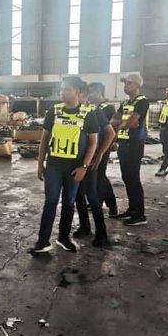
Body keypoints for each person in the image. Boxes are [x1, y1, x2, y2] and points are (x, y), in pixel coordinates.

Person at [30, 76, 99, 254]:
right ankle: (42, 241)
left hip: (74, 168)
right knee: (50, 202)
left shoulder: (88, 114)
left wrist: (84, 167)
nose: (62, 93)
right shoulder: (54, 111)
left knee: (69, 203)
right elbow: (44, 139)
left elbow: (93, 143)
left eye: (66, 89)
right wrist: (40, 164)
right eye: (61, 89)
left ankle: (63, 238)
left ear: (77, 91)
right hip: (54, 166)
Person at [72, 84, 116, 247]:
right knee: (78, 195)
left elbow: (110, 133)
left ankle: (101, 234)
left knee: (91, 194)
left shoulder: (94, 111)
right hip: (73, 160)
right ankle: (84, 227)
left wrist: (100, 154)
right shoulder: (68, 111)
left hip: (89, 160)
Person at [110, 74, 149, 226]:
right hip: (124, 144)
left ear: (138, 85)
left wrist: (121, 123)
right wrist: (123, 123)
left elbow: (133, 123)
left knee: (133, 178)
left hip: (134, 145)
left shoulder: (142, 102)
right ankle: (132, 209)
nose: (125, 86)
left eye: (129, 83)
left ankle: (139, 214)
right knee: (127, 178)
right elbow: (113, 121)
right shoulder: (125, 102)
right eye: (125, 83)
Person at [87, 82, 118, 217]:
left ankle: (112, 205)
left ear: (98, 92)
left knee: (100, 176)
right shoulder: (96, 107)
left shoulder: (107, 108)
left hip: (102, 147)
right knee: (95, 176)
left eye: (90, 93)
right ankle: (97, 201)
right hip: (94, 146)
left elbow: (111, 130)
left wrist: (110, 145)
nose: (88, 96)